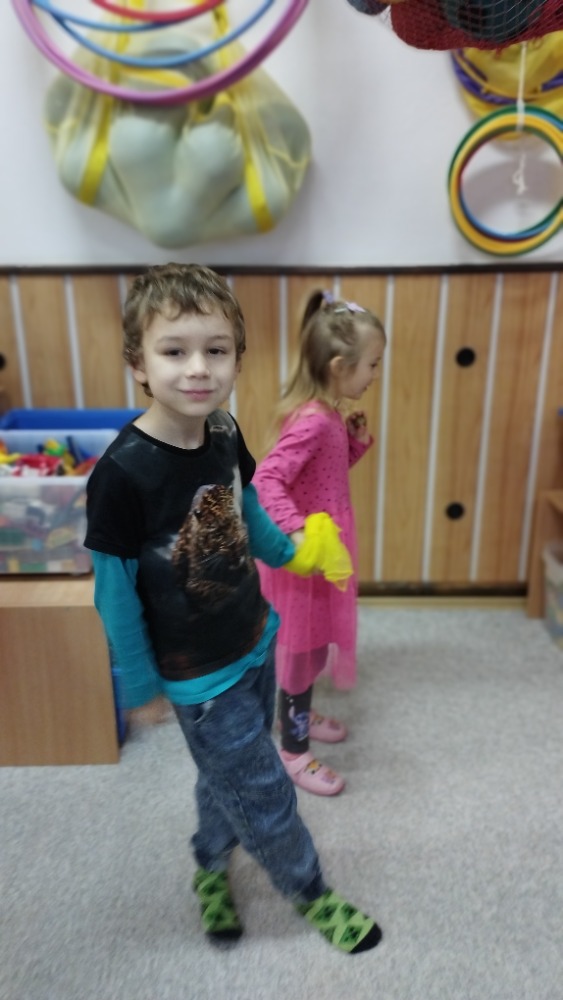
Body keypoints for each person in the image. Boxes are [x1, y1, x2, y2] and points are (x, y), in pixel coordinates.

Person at [85, 263, 382, 955]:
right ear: (138, 363)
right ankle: (311, 892)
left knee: (224, 778)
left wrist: (292, 555)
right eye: (174, 350)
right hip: (199, 679)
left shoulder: (221, 430)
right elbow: (113, 590)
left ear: (237, 361)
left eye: (215, 350)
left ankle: (209, 864)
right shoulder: (122, 475)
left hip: (254, 638)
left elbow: (246, 505)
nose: (198, 368)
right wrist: (140, 683)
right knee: (264, 787)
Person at [254, 290, 386, 797]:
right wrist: (296, 531)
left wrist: (352, 443)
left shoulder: (325, 415)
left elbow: (321, 478)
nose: (374, 374)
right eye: (372, 364)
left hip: (321, 552)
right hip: (305, 561)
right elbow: (267, 480)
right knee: (301, 654)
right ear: (338, 366)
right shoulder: (312, 419)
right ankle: (293, 750)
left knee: (306, 651)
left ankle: (296, 714)